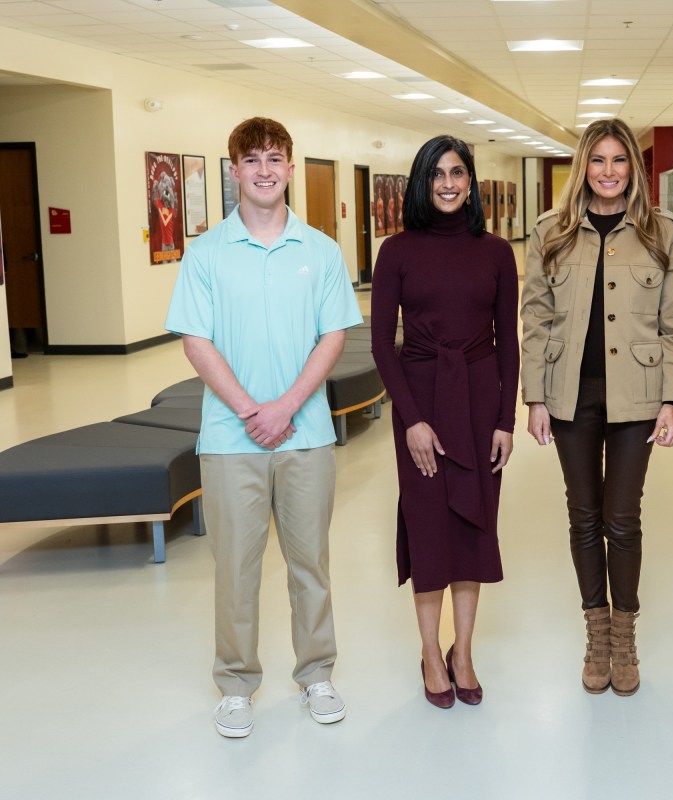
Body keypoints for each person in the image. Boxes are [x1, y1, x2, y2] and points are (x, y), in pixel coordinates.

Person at [165, 117, 362, 738]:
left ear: (291, 168)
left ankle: (317, 674)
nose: (265, 170)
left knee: (311, 564)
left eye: (276, 159)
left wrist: (286, 408)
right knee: (235, 568)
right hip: (230, 440)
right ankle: (235, 684)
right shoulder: (205, 253)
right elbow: (196, 342)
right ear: (234, 172)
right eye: (253, 161)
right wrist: (253, 410)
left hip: (306, 438)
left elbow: (333, 337)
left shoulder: (322, 251)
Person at [521, 117, 673, 697]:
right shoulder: (551, 231)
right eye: (598, 161)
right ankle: (596, 634)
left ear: (634, 169)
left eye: (620, 161)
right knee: (583, 516)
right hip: (570, 394)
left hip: (638, 397)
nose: (609, 172)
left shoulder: (662, 233)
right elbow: (536, 319)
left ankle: (624, 640)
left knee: (622, 519)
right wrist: (536, 395)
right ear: (583, 167)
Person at [371, 135, 518, 709]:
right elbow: (384, 344)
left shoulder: (496, 252)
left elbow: (508, 342)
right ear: (421, 182)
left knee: (475, 526)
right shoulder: (397, 250)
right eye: (437, 174)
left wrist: (504, 420)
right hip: (421, 394)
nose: (449, 184)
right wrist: (411, 420)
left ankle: (465, 651)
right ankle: (432, 652)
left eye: (458, 173)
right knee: (430, 526)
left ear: (471, 182)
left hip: (480, 400)